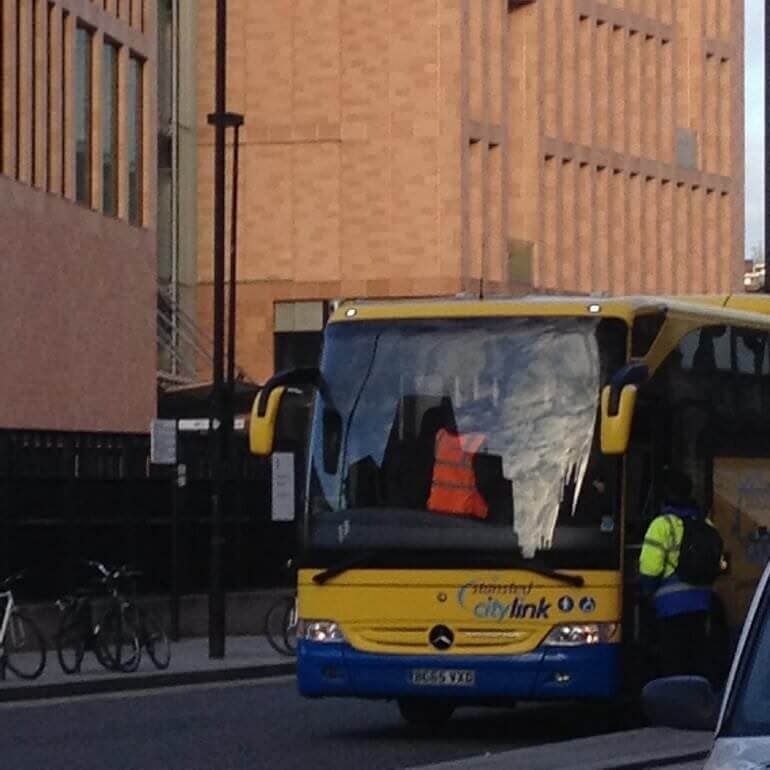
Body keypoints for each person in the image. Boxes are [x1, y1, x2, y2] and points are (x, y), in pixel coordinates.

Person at [638, 469, 719, 679]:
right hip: (702, 605)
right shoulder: (706, 524)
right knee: (697, 663)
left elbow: (650, 569)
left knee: (674, 666)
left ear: (667, 493)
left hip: (670, 609)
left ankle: (674, 706)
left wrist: (647, 595)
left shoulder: (661, 525)